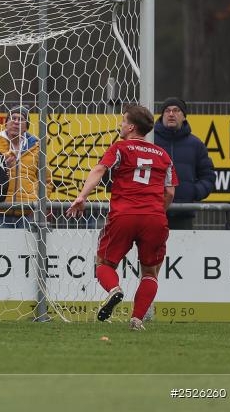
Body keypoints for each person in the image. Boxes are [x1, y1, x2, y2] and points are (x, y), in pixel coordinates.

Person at [67, 104, 177, 331]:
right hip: (155, 217)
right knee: (150, 271)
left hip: (124, 214)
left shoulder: (120, 147)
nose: (120, 124)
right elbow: (170, 192)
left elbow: (99, 170)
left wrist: (81, 196)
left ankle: (114, 289)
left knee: (104, 263)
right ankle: (136, 320)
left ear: (131, 127)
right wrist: (155, 212)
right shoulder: (163, 155)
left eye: (123, 121)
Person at [153, 97, 216, 230]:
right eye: (167, 111)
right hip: (152, 213)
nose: (171, 114)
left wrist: (193, 192)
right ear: (161, 115)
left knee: (182, 251)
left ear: (184, 117)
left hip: (184, 215)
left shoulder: (196, 145)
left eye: (176, 110)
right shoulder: (149, 141)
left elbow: (208, 177)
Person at [0, 106, 52, 228]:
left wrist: (37, 199)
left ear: (26, 125)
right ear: (6, 122)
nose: (16, 122)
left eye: (21, 119)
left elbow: (47, 179)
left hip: (26, 212)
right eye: (13, 118)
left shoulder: (36, 147)